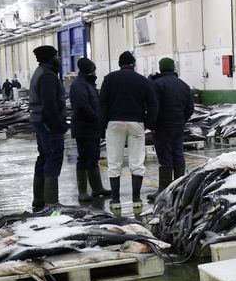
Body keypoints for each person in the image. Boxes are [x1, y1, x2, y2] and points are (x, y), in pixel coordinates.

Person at [98, 51, 158, 212]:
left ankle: (115, 200)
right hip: (136, 123)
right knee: (137, 161)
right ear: (133, 64)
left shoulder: (109, 79)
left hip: (114, 123)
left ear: (119, 63)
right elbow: (153, 105)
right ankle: (136, 199)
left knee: (114, 161)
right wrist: (148, 123)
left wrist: (103, 126)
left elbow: (102, 104)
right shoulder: (142, 80)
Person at [148, 57, 194, 202]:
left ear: (160, 68)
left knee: (165, 156)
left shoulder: (157, 85)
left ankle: (164, 190)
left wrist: (152, 125)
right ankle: (180, 188)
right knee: (178, 153)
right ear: (173, 68)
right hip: (178, 124)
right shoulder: (184, 85)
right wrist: (182, 120)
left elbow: (153, 107)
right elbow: (190, 108)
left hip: (162, 126)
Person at [28, 45, 68, 209]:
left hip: (40, 122)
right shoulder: (48, 77)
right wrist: (60, 125)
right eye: (56, 56)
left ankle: (39, 200)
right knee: (53, 157)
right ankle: (51, 203)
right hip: (48, 123)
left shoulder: (41, 72)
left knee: (44, 157)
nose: (59, 58)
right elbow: (50, 104)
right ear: (50, 58)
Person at [68, 58, 110, 203]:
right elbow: (82, 106)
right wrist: (97, 118)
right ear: (89, 70)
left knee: (93, 158)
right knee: (84, 158)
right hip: (84, 127)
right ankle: (82, 192)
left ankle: (97, 188)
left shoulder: (88, 84)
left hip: (92, 128)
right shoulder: (79, 85)